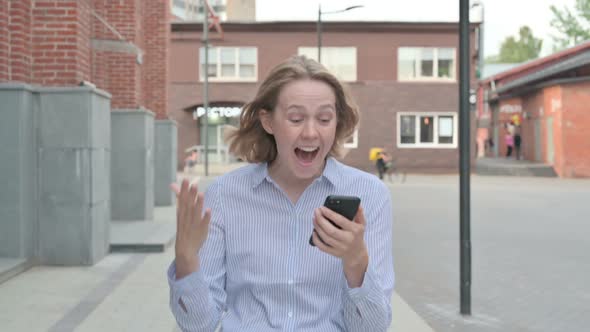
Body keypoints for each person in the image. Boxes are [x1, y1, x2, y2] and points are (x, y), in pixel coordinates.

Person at [167, 55, 394, 331]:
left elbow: (373, 328)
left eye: (324, 119)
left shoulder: (370, 194)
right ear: (268, 121)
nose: (311, 133)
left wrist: (356, 262)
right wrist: (186, 260)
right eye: (296, 118)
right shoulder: (224, 196)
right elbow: (199, 326)